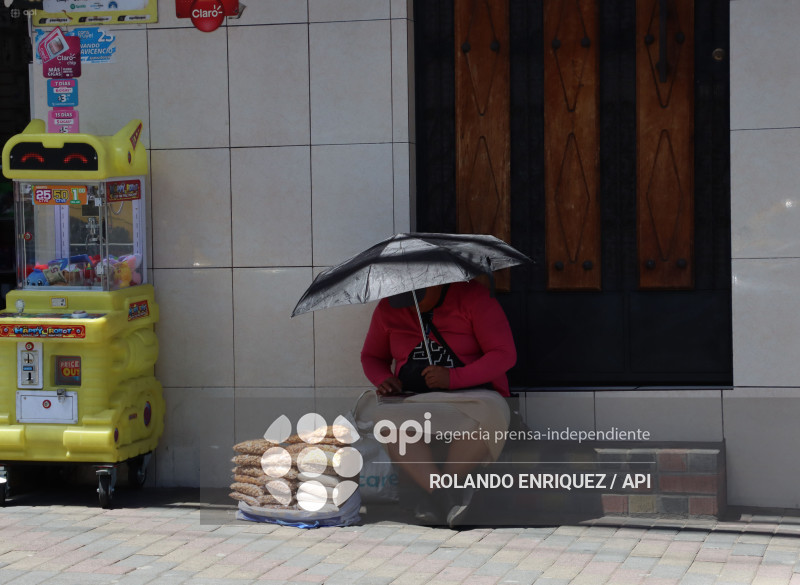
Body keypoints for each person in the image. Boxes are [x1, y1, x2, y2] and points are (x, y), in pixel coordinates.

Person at [360, 279, 517, 527]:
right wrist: (384, 379)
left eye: (418, 298)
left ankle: (439, 493)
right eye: (405, 301)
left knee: (490, 412)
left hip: (474, 395)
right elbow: (371, 356)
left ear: (437, 284)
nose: (411, 308)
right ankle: (444, 494)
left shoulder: (473, 298)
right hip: (415, 399)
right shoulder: (388, 308)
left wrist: (453, 378)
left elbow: (503, 354)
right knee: (385, 419)